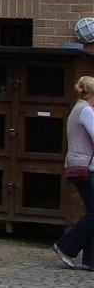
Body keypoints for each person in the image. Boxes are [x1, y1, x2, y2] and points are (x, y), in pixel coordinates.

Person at [53, 75, 94, 270]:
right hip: (86, 167)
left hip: (81, 164)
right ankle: (65, 247)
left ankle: (91, 260)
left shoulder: (79, 108)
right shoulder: (85, 110)